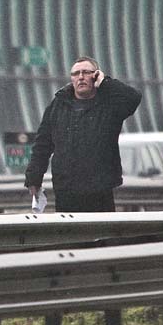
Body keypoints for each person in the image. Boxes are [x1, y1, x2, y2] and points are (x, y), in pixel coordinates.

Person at [24, 56, 142, 212]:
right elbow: (42, 145)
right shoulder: (58, 105)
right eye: (76, 73)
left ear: (95, 76)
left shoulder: (110, 105)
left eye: (86, 72)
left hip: (100, 191)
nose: (81, 77)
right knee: (72, 235)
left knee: (102, 235)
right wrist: (34, 178)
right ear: (71, 79)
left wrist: (105, 82)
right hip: (66, 190)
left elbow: (133, 98)